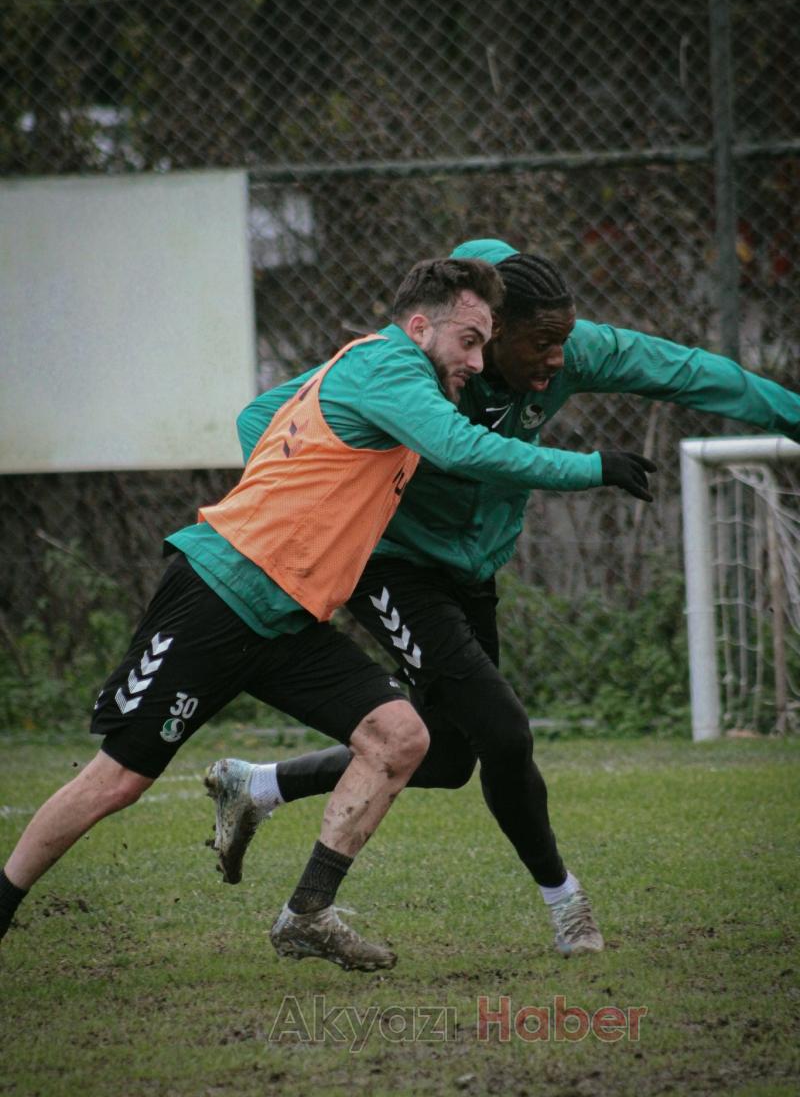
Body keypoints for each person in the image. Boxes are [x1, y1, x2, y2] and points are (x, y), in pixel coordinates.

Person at [0, 255, 656, 972]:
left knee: (401, 736)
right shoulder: (389, 370)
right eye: (468, 340)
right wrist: (593, 466)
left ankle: (306, 912)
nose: (477, 359)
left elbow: (265, 419)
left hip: (287, 620)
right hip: (219, 597)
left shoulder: (393, 376)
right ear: (418, 327)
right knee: (117, 780)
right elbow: (462, 447)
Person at [203, 238, 800, 959]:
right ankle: (565, 904)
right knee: (506, 730)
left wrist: (791, 412)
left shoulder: (569, 353)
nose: (558, 360)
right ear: (487, 328)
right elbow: (260, 418)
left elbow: (689, 370)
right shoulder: (406, 366)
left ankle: (257, 784)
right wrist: (332, 500)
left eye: (565, 343)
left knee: (452, 756)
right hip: (391, 565)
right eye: (541, 343)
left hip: (469, 569)